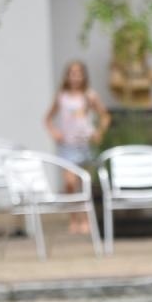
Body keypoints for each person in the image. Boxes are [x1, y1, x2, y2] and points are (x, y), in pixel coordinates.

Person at [43, 61, 110, 235]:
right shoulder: (61, 96)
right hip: (67, 146)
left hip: (85, 144)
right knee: (70, 183)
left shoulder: (89, 96)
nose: (75, 77)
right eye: (72, 73)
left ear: (83, 75)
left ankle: (86, 219)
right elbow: (48, 118)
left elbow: (104, 116)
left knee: (84, 184)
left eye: (78, 73)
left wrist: (99, 132)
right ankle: (74, 218)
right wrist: (55, 133)